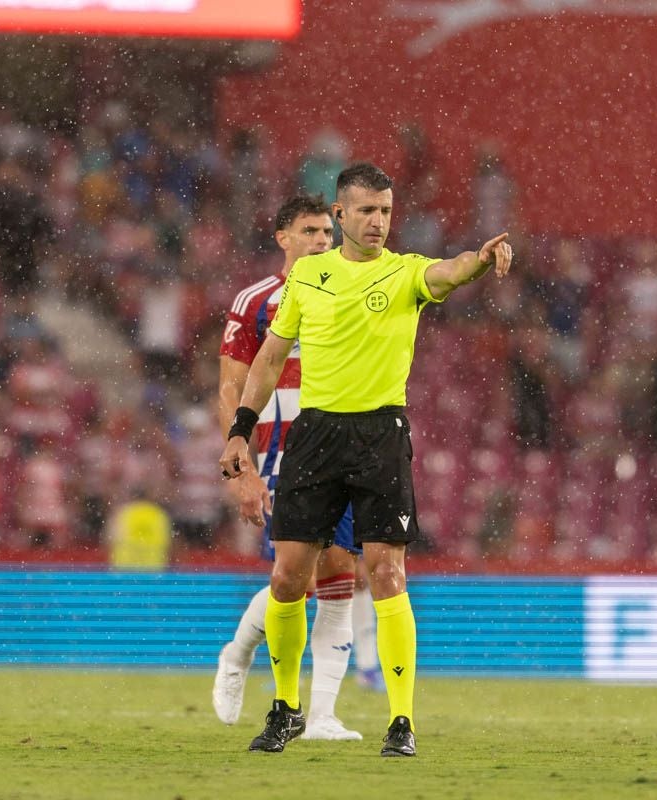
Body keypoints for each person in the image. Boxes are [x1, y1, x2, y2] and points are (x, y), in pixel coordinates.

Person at [220, 162, 513, 757]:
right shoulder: (308, 278)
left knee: (385, 573)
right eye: (367, 211)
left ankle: (401, 722)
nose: (379, 221)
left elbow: (449, 270)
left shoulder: (405, 274)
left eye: (386, 210)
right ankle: (285, 708)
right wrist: (240, 433)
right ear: (340, 215)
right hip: (315, 435)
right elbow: (271, 359)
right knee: (287, 576)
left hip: (380, 433)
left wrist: (479, 261)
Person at [212, 194, 368, 742]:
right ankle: (237, 655)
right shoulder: (257, 301)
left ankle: (321, 715)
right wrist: (244, 471)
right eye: (310, 231)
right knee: (293, 578)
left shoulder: (352, 289)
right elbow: (231, 388)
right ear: (283, 238)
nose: (323, 240)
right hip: (282, 453)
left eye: (328, 232)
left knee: (343, 576)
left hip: (343, 446)